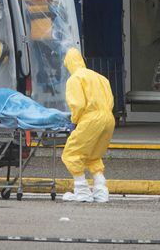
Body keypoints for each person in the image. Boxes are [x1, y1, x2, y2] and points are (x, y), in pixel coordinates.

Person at [61, 48, 115, 203]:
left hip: (90, 119)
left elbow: (77, 104)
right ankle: (101, 191)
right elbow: (110, 100)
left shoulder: (75, 78)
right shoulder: (100, 77)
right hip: (108, 118)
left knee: (71, 154)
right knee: (93, 155)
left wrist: (74, 121)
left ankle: (82, 191)